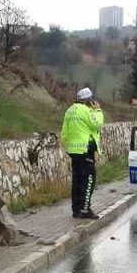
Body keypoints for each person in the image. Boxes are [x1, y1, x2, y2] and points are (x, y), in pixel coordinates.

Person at [61, 87, 105, 219]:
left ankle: (76, 210)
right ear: (89, 100)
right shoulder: (86, 110)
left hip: (74, 150)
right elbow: (97, 124)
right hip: (85, 150)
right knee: (89, 180)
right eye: (91, 100)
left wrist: (69, 148)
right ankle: (85, 209)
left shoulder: (70, 110)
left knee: (77, 180)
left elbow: (64, 131)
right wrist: (97, 110)